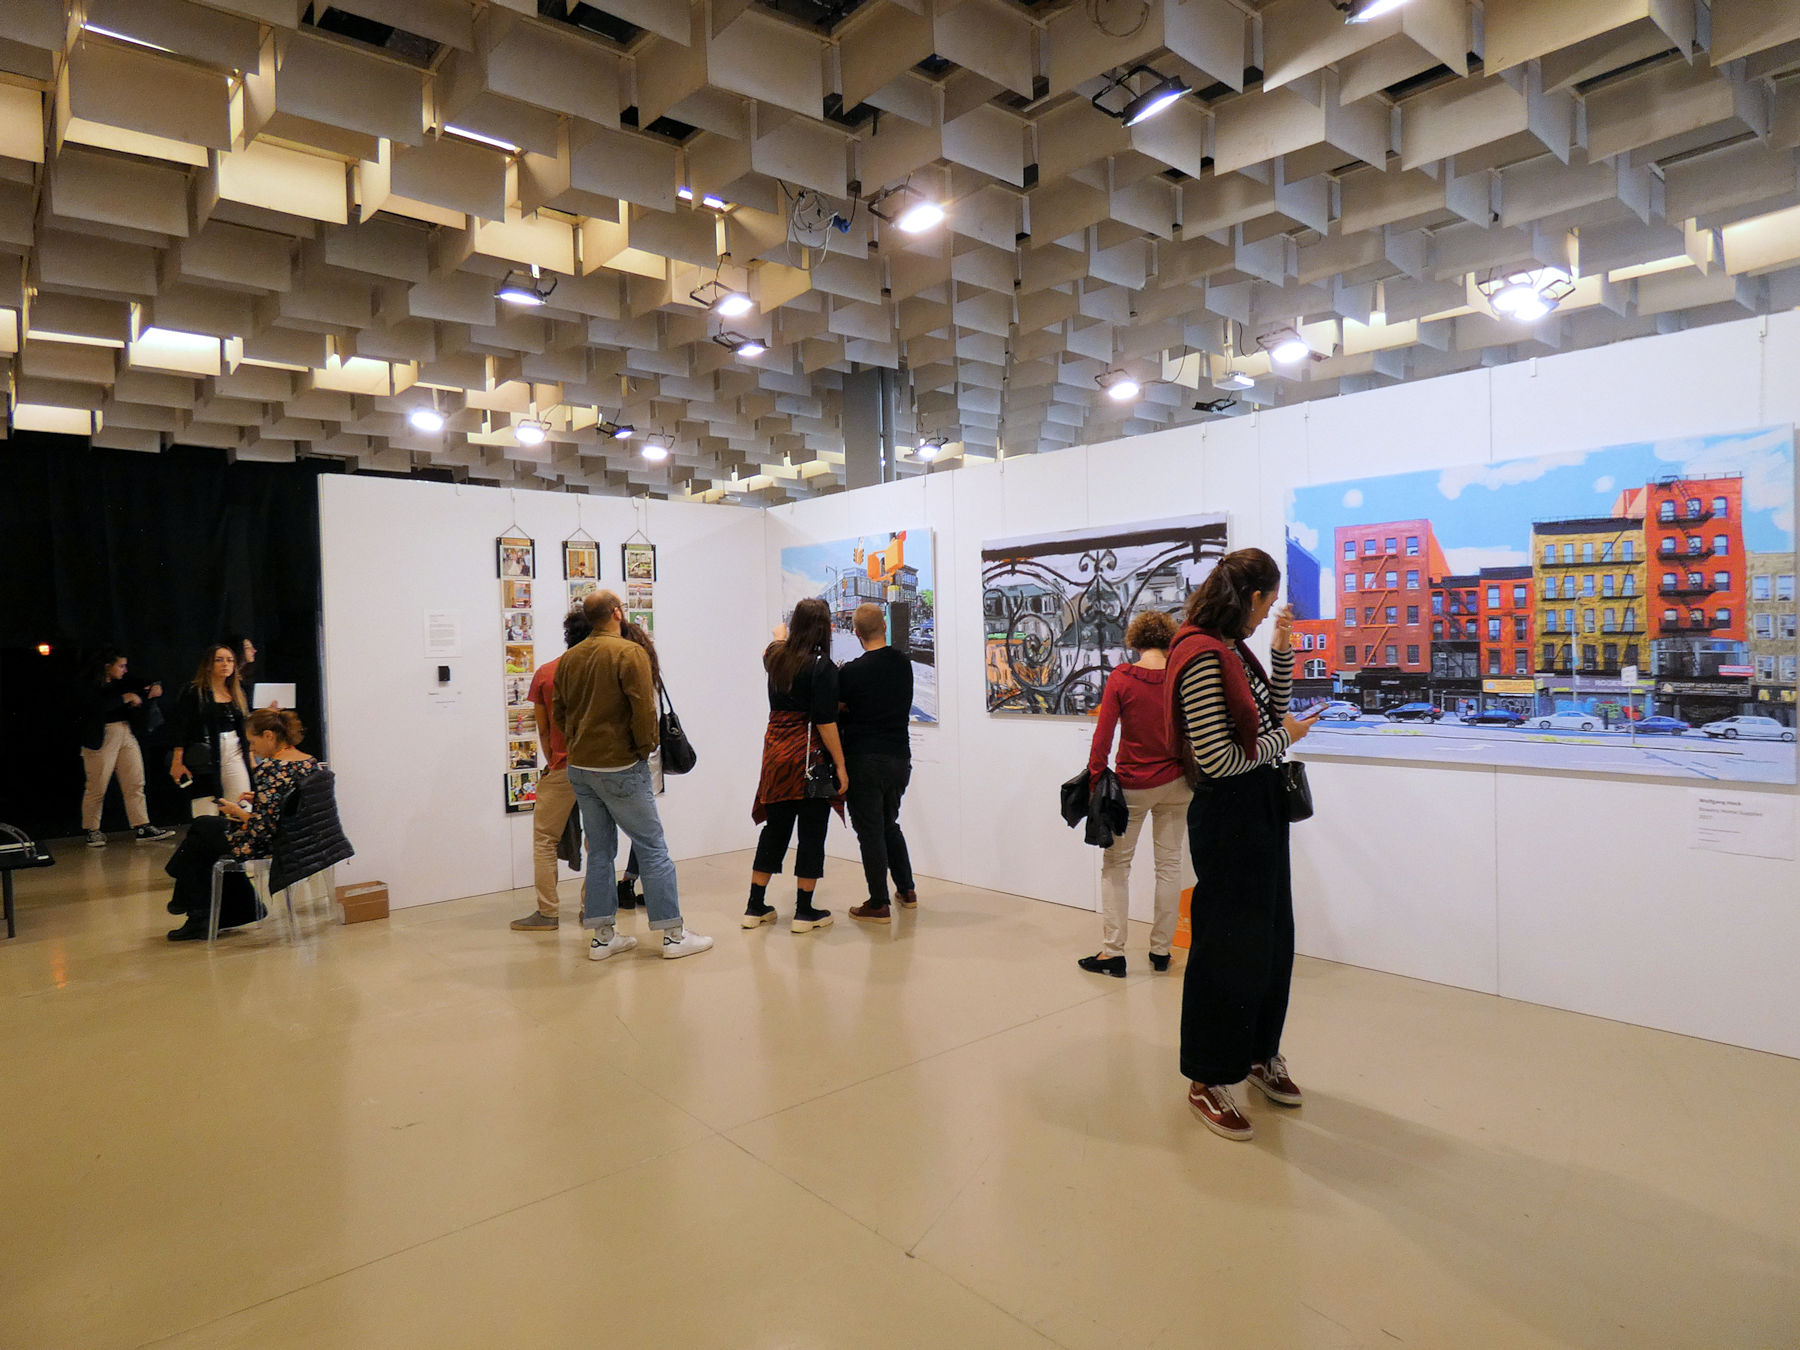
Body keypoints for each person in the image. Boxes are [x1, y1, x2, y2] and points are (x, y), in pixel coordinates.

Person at [1165, 548, 1316, 1142]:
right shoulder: (1202, 654)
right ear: (1251, 597)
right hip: (1229, 818)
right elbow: (1219, 759)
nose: (1266, 614)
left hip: (1258, 812)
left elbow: (1268, 715)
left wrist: (1279, 652)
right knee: (1227, 949)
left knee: (1271, 941)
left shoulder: (1231, 649)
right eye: (1267, 605)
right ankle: (1207, 1077)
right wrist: (1287, 738)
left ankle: (1257, 1053)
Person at [554, 590, 711, 961]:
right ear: (616, 613)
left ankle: (602, 937)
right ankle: (673, 935)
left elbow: (560, 713)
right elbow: (643, 709)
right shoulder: (629, 653)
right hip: (621, 766)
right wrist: (644, 749)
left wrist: (578, 743)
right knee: (652, 848)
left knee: (600, 852)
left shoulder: (569, 658)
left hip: (582, 768)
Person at [1076, 610, 1190, 976]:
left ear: (1135, 640)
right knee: (1169, 866)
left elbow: (1103, 735)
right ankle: (1161, 952)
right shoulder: (1181, 676)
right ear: (1168, 640)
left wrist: (1096, 779)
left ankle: (1113, 952)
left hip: (1134, 785)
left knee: (1116, 866)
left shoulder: (1123, 677)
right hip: (1179, 783)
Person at [163, 708, 324, 941]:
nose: (252, 749)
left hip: (274, 842)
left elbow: (263, 827)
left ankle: (193, 906)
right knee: (204, 829)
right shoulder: (310, 762)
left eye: (253, 742)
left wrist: (237, 812)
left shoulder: (271, 769)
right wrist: (260, 800)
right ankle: (219, 910)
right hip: (302, 839)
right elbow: (290, 806)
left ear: (269, 736)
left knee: (201, 835)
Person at [744, 597, 847, 934]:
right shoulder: (822, 666)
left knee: (775, 830)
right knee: (812, 833)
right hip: (808, 760)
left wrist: (780, 635)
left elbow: (771, 647)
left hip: (775, 755)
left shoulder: (776, 659)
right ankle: (804, 912)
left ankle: (754, 907)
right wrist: (841, 766)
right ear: (824, 628)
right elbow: (825, 723)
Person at [510, 604, 592, 932]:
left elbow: (543, 731)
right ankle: (594, 909)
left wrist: (554, 759)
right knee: (598, 842)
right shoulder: (603, 672)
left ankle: (548, 912)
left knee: (545, 839)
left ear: (567, 634)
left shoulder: (546, 672)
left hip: (562, 767)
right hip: (600, 768)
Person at [838, 603, 917, 923]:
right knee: (889, 824)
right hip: (899, 758)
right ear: (884, 625)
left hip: (864, 759)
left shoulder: (851, 672)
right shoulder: (903, 664)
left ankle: (879, 902)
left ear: (856, 632)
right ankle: (907, 890)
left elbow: (839, 709)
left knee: (870, 831)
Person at [78, 651, 173, 847]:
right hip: (102, 734)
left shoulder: (123, 681)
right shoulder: (90, 684)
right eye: (120, 666)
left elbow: (147, 681)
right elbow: (95, 707)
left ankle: (142, 825)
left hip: (125, 731)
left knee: (135, 780)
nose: (124, 670)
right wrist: (125, 698)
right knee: (98, 784)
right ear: (107, 666)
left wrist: (156, 685)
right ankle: (92, 829)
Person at [169, 643, 252, 819]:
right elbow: (181, 727)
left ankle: (239, 835)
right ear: (209, 664)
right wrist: (177, 760)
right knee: (206, 807)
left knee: (240, 802)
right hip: (205, 753)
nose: (225, 664)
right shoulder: (194, 691)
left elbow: (245, 728)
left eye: (230, 660)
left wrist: (251, 758)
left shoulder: (238, 691)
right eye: (219, 660)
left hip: (234, 750)